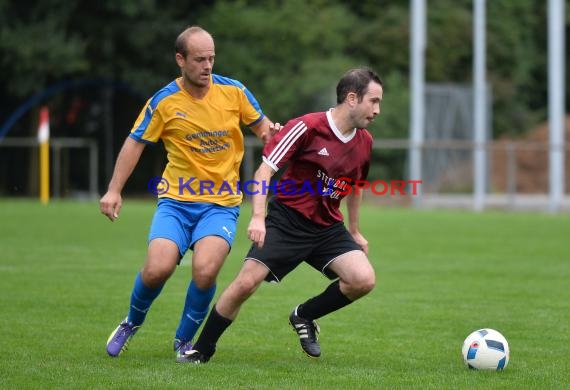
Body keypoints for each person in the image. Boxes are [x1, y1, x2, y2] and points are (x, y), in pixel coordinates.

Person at [179, 67, 383, 364]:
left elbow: (356, 186)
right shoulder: (307, 127)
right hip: (287, 220)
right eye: (373, 101)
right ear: (352, 98)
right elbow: (265, 171)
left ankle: (304, 315)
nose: (377, 110)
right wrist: (258, 217)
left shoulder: (365, 141)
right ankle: (202, 349)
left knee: (363, 279)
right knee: (245, 283)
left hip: (327, 227)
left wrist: (354, 230)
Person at [100, 26, 279, 362]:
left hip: (221, 205)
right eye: (199, 59)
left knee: (205, 270)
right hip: (176, 204)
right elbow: (135, 141)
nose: (207, 66)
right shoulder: (164, 101)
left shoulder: (235, 92)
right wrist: (114, 190)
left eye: (211, 58)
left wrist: (278, 134)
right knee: (157, 269)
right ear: (180, 60)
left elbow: (264, 129)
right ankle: (131, 323)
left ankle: (184, 340)